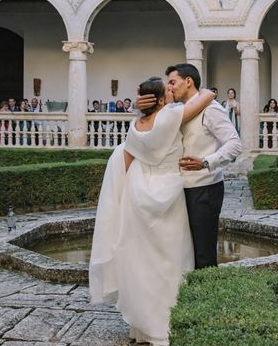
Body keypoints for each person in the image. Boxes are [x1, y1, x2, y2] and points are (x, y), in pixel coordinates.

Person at [90, 77, 216, 346]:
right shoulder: (170, 117)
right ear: (159, 100)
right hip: (168, 195)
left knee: (142, 262)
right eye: (167, 89)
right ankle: (163, 325)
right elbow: (207, 96)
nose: (172, 90)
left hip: (138, 194)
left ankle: (142, 329)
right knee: (171, 262)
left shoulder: (136, 126)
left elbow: (127, 160)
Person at [137, 63, 242, 270]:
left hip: (204, 188)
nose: (170, 88)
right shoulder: (176, 110)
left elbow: (235, 144)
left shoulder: (212, 110)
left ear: (188, 82)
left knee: (203, 252)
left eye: (173, 82)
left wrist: (206, 161)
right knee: (184, 251)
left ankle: (205, 295)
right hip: (178, 190)